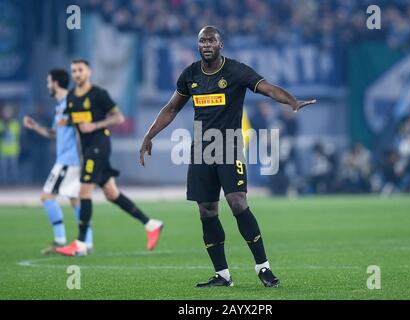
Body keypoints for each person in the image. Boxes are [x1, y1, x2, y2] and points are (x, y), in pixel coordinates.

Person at [139, 26, 316, 287]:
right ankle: (222, 275)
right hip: (201, 150)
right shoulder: (190, 74)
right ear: (198, 45)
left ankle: (263, 268)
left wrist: (291, 100)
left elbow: (266, 88)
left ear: (221, 44)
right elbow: (172, 108)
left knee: (237, 203)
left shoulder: (235, 71)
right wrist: (149, 135)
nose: (206, 44)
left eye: (211, 40)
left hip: (229, 145)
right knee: (206, 210)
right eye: (202, 40)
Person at [56, 59, 163, 256]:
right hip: (88, 150)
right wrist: (67, 122)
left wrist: (95, 125)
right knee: (111, 193)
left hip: (100, 145)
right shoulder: (71, 98)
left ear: (89, 71)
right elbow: (75, 122)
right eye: (73, 71)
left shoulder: (98, 94)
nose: (77, 74)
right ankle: (151, 224)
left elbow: (118, 117)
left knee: (84, 191)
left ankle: (80, 244)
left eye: (80, 70)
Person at [23, 69, 94, 254]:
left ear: (55, 83)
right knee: (75, 199)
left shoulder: (72, 103)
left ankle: (60, 239)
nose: (47, 85)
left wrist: (84, 157)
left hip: (69, 161)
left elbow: (81, 130)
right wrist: (36, 127)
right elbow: (55, 133)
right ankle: (87, 241)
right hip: (69, 161)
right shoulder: (60, 107)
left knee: (47, 197)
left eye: (48, 82)